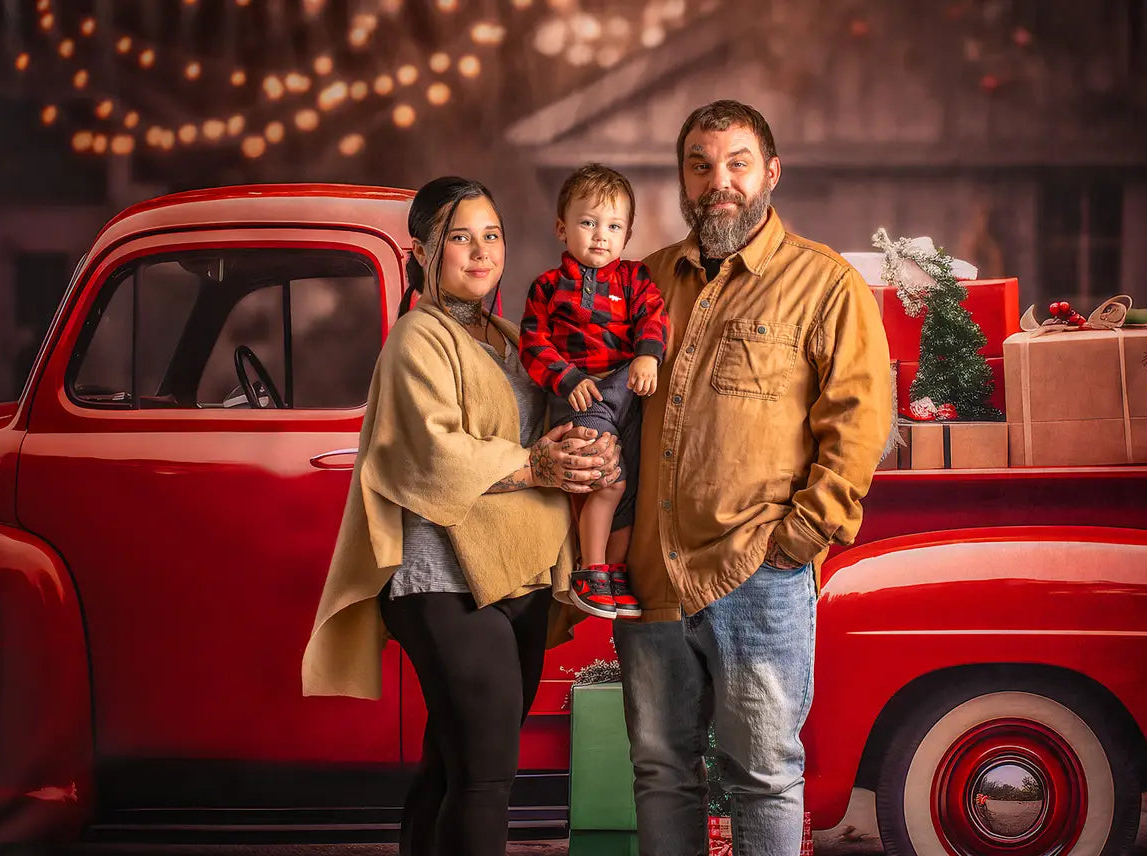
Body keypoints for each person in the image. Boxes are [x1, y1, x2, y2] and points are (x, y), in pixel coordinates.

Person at [301, 176, 620, 856]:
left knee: (451, 765)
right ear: (422, 251)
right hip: (442, 581)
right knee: (486, 777)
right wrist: (535, 466)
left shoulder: (511, 338)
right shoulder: (419, 337)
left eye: (492, 235)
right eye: (460, 238)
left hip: (518, 575)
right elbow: (430, 452)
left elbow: (561, 419)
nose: (481, 252)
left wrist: (590, 447)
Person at [615, 100, 892, 855]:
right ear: (682, 178)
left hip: (757, 575)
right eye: (700, 166)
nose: (719, 183)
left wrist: (794, 542)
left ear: (771, 172)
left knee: (764, 772)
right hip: (651, 579)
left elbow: (861, 424)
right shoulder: (642, 283)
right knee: (659, 770)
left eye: (737, 163)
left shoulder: (823, 283)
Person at [520, 163, 670, 620]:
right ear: (563, 228)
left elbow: (654, 316)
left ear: (627, 235)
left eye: (613, 226)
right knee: (606, 477)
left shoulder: (635, 278)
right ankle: (591, 569)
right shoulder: (547, 286)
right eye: (587, 223)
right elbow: (533, 343)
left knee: (629, 491)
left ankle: (617, 574)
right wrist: (566, 377)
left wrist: (648, 354)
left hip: (626, 394)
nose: (600, 235)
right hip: (579, 395)